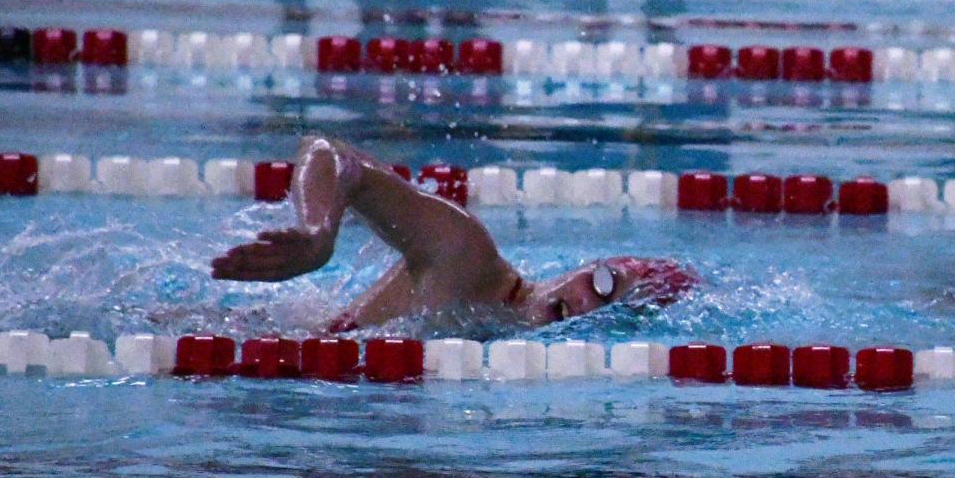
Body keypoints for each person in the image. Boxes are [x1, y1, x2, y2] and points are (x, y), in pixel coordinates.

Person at [211, 136, 698, 331]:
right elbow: (331, 154)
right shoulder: (467, 256)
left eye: (613, 312)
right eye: (604, 282)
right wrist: (318, 235)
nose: (590, 303)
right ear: (585, 266)